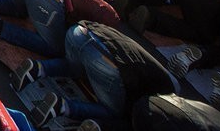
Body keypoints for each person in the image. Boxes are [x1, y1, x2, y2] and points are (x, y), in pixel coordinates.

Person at [18, 21, 177, 127]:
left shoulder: (151, 65)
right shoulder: (167, 90)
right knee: (113, 112)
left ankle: (39, 68)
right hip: (104, 59)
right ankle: (62, 107)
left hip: (79, 32)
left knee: (75, 67)